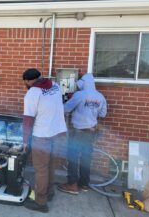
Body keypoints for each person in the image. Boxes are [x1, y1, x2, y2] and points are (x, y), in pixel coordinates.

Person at [22, 68, 67, 213]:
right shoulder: (55, 85)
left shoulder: (32, 93)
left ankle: (41, 202)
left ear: (28, 81)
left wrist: (24, 140)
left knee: (41, 169)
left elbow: (28, 119)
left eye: (25, 82)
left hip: (42, 135)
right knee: (51, 165)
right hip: (57, 132)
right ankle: (50, 192)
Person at [57, 73, 107, 194]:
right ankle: (84, 184)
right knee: (86, 158)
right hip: (91, 132)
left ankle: (72, 184)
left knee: (73, 158)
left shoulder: (80, 95)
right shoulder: (100, 97)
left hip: (77, 131)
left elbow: (65, 109)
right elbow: (103, 114)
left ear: (84, 83)